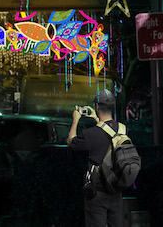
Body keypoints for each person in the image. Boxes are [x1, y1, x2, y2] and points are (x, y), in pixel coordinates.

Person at [67, 89, 123, 227]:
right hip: (116, 189)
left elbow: (71, 142)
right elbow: (107, 133)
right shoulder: (123, 129)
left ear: (97, 107)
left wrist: (76, 119)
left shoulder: (90, 134)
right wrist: (96, 119)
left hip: (97, 192)